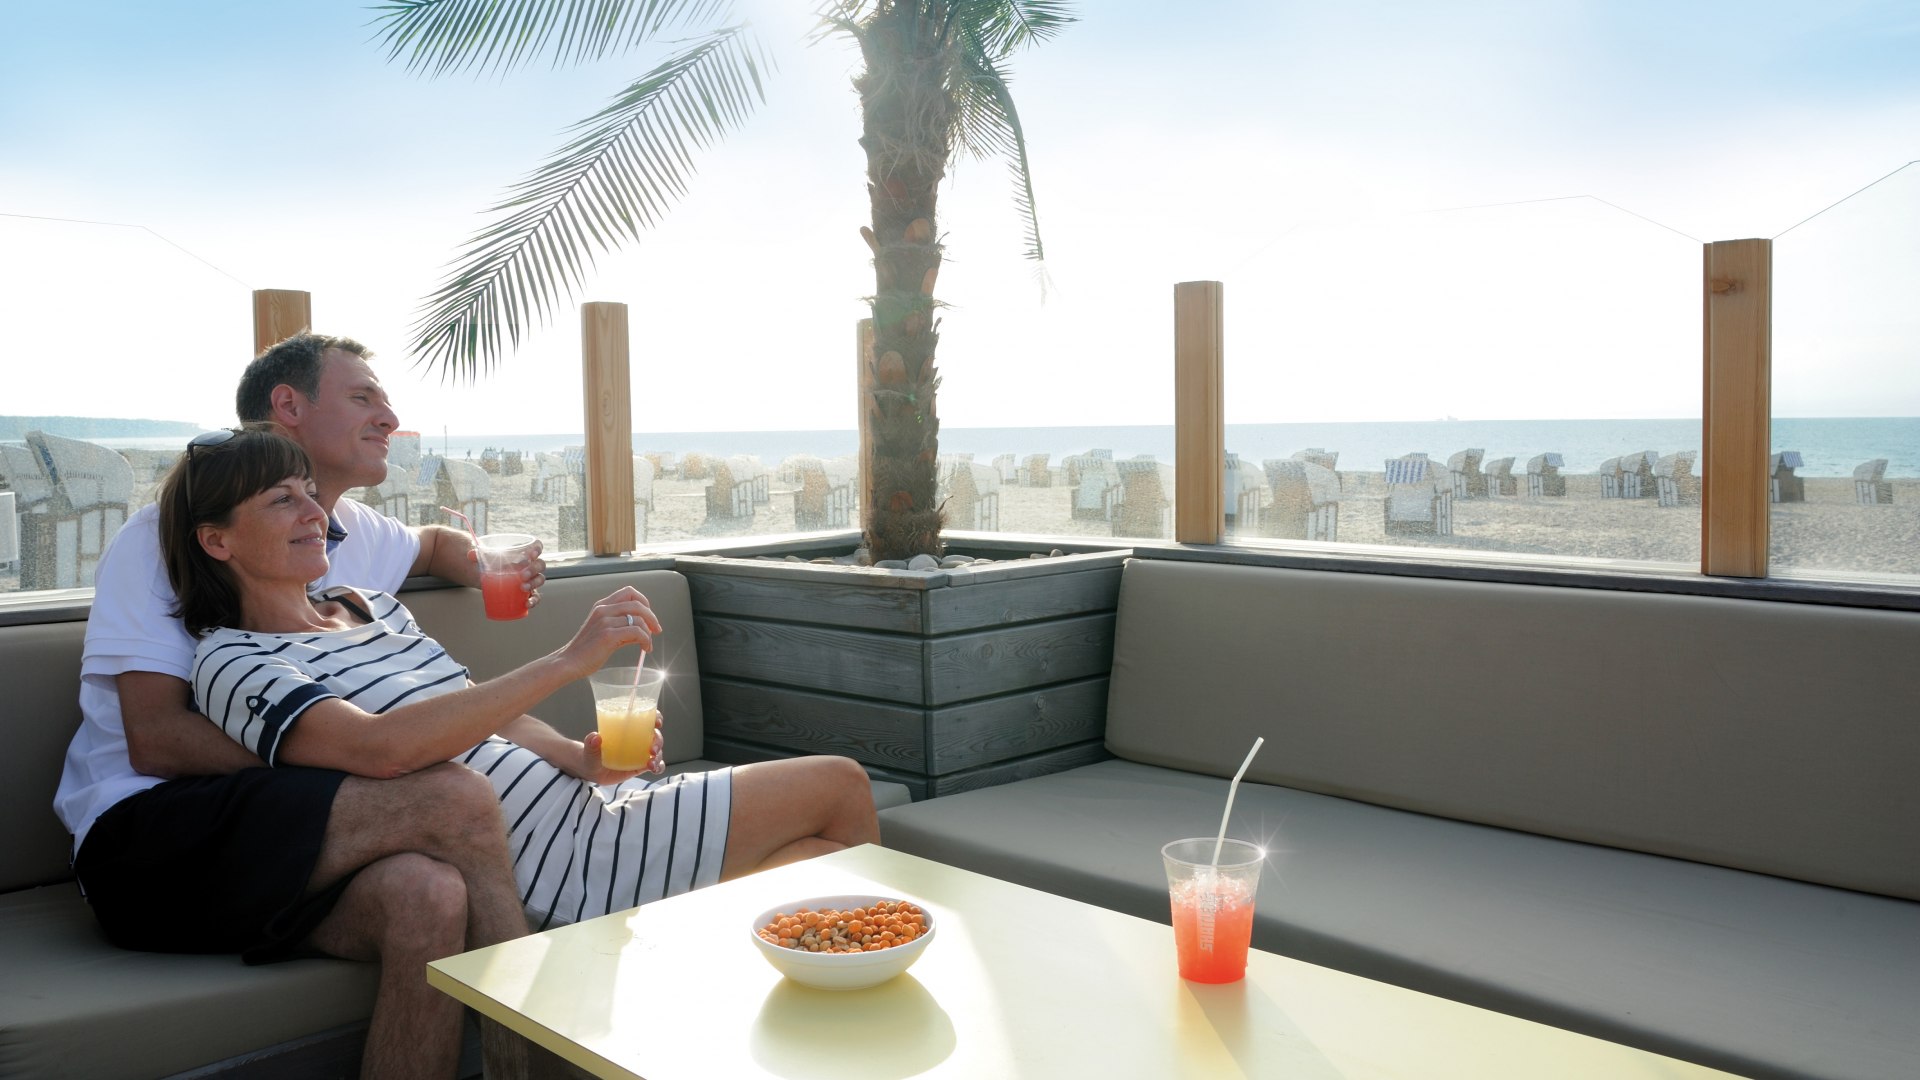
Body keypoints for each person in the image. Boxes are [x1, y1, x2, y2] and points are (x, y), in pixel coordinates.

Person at [53, 334, 550, 1078]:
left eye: (308, 498)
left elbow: (432, 542)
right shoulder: (162, 539)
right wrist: (365, 761)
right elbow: (154, 738)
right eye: (363, 397)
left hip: (292, 835)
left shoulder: (338, 533)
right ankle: (529, 1057)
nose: (388, 415)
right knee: (446, 793)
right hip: (152, 834)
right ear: (288, 407)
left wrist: (482, 567)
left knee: (428, 895)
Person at [168, 426, 880, 927]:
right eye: (282, 501)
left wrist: (581, 758)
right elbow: (377, 749)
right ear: (217, 540)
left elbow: (487, 714)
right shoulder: (233, 661)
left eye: (309, 492)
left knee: (816, 864)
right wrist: (569, 659)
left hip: (593, 807)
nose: (315, 512)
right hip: (552, 861)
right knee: (840, 785)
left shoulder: (370, 607)